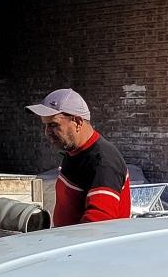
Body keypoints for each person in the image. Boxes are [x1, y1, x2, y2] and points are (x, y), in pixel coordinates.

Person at [27, 89, 131, 226]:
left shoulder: (103, 162)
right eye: (45, 125)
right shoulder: (75, 152)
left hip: (87, 246)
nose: (47, 132)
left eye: (53, 125)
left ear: (78, 122)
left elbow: (99, 224)